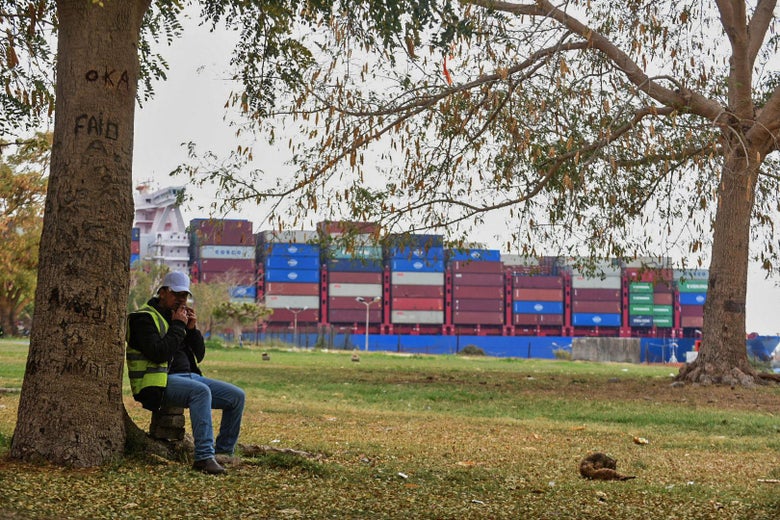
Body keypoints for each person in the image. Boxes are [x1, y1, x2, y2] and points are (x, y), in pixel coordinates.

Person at [126, 271, 245, 475]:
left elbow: (199, 355)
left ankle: (223, 452)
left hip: (190, 377)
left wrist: (191, 329)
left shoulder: (179, 319)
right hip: (157, 382)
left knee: (236, 397)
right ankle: (204, 457)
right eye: (176, 294)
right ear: (162, 292)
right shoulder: (142, 318)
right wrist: (178, 326)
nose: (181, 300)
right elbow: (158, 353)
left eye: (185, 296)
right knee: (201, 392)